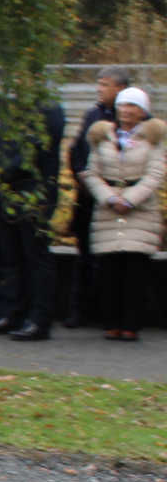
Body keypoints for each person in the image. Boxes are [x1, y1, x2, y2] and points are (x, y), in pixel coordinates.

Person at [81, 86, 165, 340]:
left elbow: (156, 174)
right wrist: (108, 197)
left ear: (142, 111)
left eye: (132, 106)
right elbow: (91, 173)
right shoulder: (102, 135)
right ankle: (110, 322)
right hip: (107, 208)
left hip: (140, 209)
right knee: (110, 269)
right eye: (122, 106)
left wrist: (129, 200)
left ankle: (131, 324)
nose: (126, 111)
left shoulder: (153, 138)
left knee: (135, 270)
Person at [0, 98, 65, 341]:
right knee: (10, 257)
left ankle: (39, 318)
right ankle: (11, 310)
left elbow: (35, 148)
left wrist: (0, 173)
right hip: (4, 193)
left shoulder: (48, 108)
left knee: (35, 259)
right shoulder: (9, 105)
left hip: (33, 192)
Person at [64, 67, 130, 328]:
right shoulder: (92, 113)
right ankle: (79, 310)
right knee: (84, 256)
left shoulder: (133, 118)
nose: (99, 89)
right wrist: (81, 173)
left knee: (109, 257)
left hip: (116, 199)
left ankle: (107, 311)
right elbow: (76, 148)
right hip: (87, 195)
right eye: (98, 83)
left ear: (121, 88)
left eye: (105, 84)